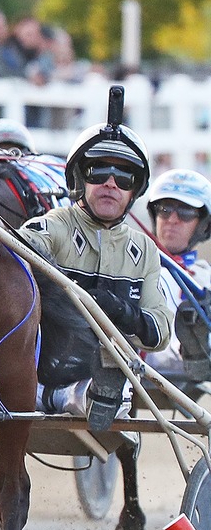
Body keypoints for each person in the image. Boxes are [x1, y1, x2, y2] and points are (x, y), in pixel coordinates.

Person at [20, 117, 173, 430]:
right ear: (80, 178)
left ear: (135, 189)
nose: (111, 183)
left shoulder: (144, 250)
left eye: (124, 176)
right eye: (99, 171)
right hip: (29, 371)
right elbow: (21, 242)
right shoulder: (57, 224)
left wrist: (122, 311)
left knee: (104, 391)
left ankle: (85, 395)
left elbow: (159, 334)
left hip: (99, 376)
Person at [143, 170, 211, 383]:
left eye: (186, 212)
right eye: (164, 210)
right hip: (137, 361)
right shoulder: (132, 267)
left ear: (203, 225)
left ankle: (195, 351)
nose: (172, 219)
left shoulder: (205, 276)